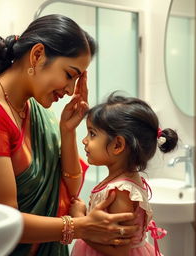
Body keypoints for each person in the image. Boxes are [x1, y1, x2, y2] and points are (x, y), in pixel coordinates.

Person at [0, 15, 138, 256]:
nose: (71, 90)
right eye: (70, 75)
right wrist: (81, 227)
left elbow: (70, 189)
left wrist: (67, 132)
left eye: (77, 79)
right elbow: (3, 222)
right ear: (37, 55)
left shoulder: (33, 108)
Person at [70, 91, 178, 256]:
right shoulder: (122, 181)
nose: (85, 140)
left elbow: (119, 251)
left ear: (117, 145)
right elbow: (106, 230)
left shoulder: (121, 191)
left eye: (92, 134)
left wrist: (80, 223)